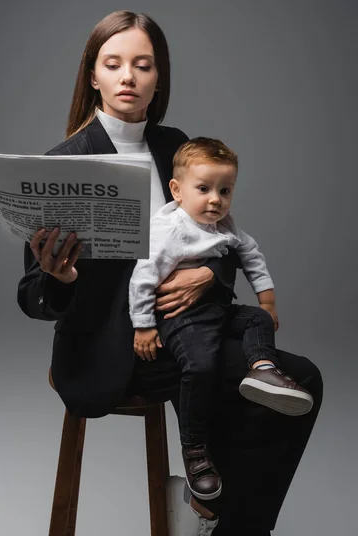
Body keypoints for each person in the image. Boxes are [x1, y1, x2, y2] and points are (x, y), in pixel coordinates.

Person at [17, 10, 323, 536]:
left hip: (188, 329)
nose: (128, 77)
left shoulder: (176, 146)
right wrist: (61, 279)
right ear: (94, 75)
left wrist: (208, 276)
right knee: (211, 373)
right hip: (114, 348)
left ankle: (221, 516)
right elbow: (31, 298)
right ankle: (210, 502)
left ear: (159, 78)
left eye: (143, 65)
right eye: (113, 64)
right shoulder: (63, 162)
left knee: (302, 377)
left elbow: (218, 237)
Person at [129, 137, 314, 502]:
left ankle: (263, 368)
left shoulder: (223, 223)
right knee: (200, 366)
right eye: (204, 189)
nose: (216, 199)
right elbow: (142, 277)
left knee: (257, 321)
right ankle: (195, 449)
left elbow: (250, 252)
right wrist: (144, 325)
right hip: (182, 319)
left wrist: (268, 299)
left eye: (225, 190)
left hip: (216, 310)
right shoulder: (170, 230)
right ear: (177, 191)